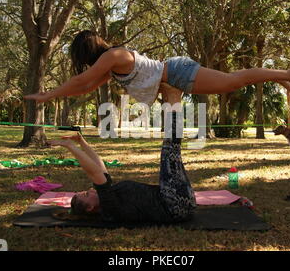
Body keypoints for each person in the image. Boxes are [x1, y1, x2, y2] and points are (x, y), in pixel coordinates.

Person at [24, 30, 290, 106]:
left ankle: (288, 74)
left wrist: (47, 94)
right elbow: (85, 86)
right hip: (174, 76)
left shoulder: (114, 56)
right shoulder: (109, 68)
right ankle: (283, 78)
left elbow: (81, 80)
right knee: (232, 82)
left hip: (176, 73)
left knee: (231, 82)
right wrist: (53, 96)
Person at [47, 90, 197, 223]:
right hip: (175, 205)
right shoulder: (109, 207)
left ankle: (173, 97)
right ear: (90, 208)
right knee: (170, 149)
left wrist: (81, 142)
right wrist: (70, 147)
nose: (91, 190)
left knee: (170, 149)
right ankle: (174, 96)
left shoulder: (109, 195)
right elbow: (94, 172)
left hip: (177, 201)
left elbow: (99, 166)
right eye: (87, 194)